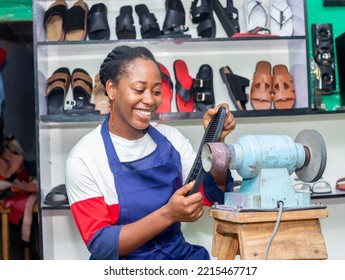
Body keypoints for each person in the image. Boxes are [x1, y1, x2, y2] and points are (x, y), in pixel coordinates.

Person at [65, 45, 236, 260]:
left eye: (156, 91)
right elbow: (102, 246)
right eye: (139, 90)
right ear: (111, 89)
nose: (150, 100)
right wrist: (168, 214)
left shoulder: (171, 139)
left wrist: (216, 144)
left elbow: (213, 195)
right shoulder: (85, 158)